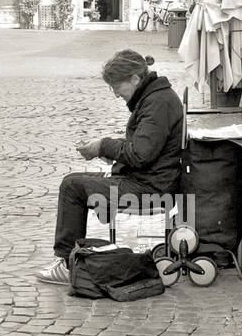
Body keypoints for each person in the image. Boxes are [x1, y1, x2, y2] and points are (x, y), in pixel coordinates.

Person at [37, 50, 184, 284]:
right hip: (149, 180)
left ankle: (66, 263)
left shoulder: (157, 103)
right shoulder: (155, 98)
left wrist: (104, 146)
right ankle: (70, 259)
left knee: (72, 185)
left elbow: (141, 154)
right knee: (77, 181)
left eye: (117, 87)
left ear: (135, 79)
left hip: (151, 190)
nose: (116, 94)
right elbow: (144, 148)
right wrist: (112, 154)